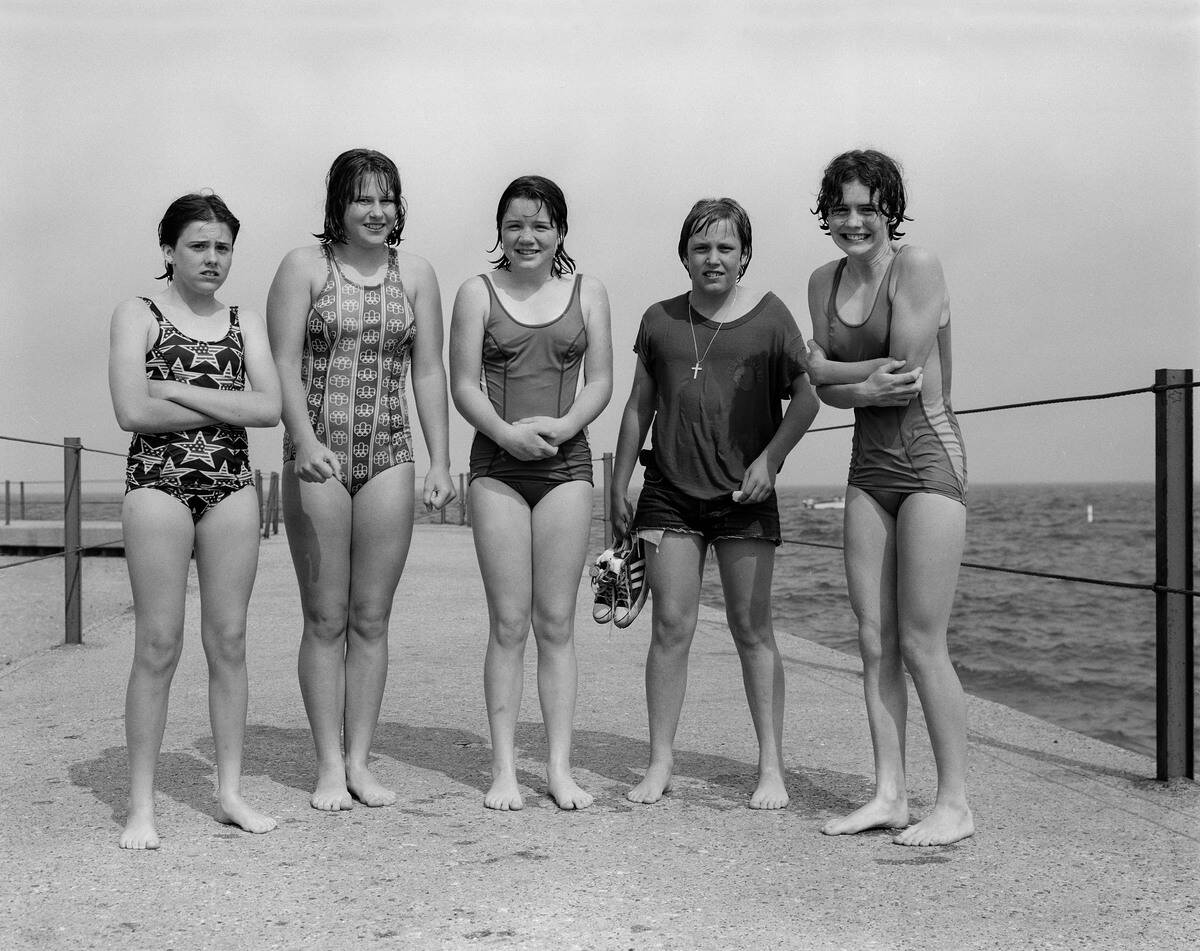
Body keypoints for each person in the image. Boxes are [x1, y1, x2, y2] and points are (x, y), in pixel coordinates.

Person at [609, 198, 820, 809]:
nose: (713, 258)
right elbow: (637, 407)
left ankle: (772, 768)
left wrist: (770, 461)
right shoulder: (659, 320)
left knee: (752, 627)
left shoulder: (772, 317)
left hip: (743, 494)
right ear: (683, 255)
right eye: (701, 247)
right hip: (669, 492)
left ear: (744, 255)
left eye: (726, 247)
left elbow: (806, 400)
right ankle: (659, 763)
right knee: (671, 628)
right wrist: (617, 484)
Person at [268, 149, 456, 811]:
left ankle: (359, 760)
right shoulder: (303, 268)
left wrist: (440, 459)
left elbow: (428, 370)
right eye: (362, 199)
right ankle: (325, 764)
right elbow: (284, 365)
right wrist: (307, 440)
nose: (377, 211)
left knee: (371, 618)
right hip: (317, 452)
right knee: (325, 616)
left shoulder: (419, 274)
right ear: (338, 207)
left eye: (387, 199)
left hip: (389, 452)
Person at [804, 149, 973, 846]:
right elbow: (821, 390)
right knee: (875, 639)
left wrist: (831, 370)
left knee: (923, 640)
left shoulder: (919, 266)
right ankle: (890, 794)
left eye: (867, 208)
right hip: (867, 466)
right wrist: (838, 380)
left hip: (930, 458)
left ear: (889, 211)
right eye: (840, 208)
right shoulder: (821, 281)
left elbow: (900, 372)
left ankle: (956, 803)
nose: (853, 221)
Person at [108, 192, 282, 849]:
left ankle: (229, 790)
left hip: (231, 487)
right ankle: (141, 804)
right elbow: (131, 411)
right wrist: (226, 403)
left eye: (223, 247)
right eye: (199, 245)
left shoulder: (245, 319)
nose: (213, 258)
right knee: (158, 642)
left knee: (229, 639)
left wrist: (175, 387)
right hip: (158, 484)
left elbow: (268, 410)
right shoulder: (139, 314)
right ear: (169, 251)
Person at [449, 175, 613, 810]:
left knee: (557, 621)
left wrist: (567, 427)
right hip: (496, 466)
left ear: (560, 232)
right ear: (500, 231)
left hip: (567, 465)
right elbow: (464, 384)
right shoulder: (476, 293)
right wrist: (506, 436)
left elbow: (599, 381)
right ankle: (502, 771)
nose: (527, 236)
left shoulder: (588, 291)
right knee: (509, 622)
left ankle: (560, 768)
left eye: (541, 225)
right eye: (515, 224)